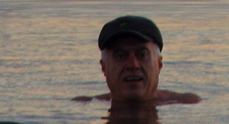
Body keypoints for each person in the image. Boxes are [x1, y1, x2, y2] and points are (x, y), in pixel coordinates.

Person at [73, 15, 201, 105]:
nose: (133, 65)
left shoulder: (188, 103)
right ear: (104, 67)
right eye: (121, 56)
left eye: (142, 55)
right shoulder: (82, 105)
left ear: (159, 64)